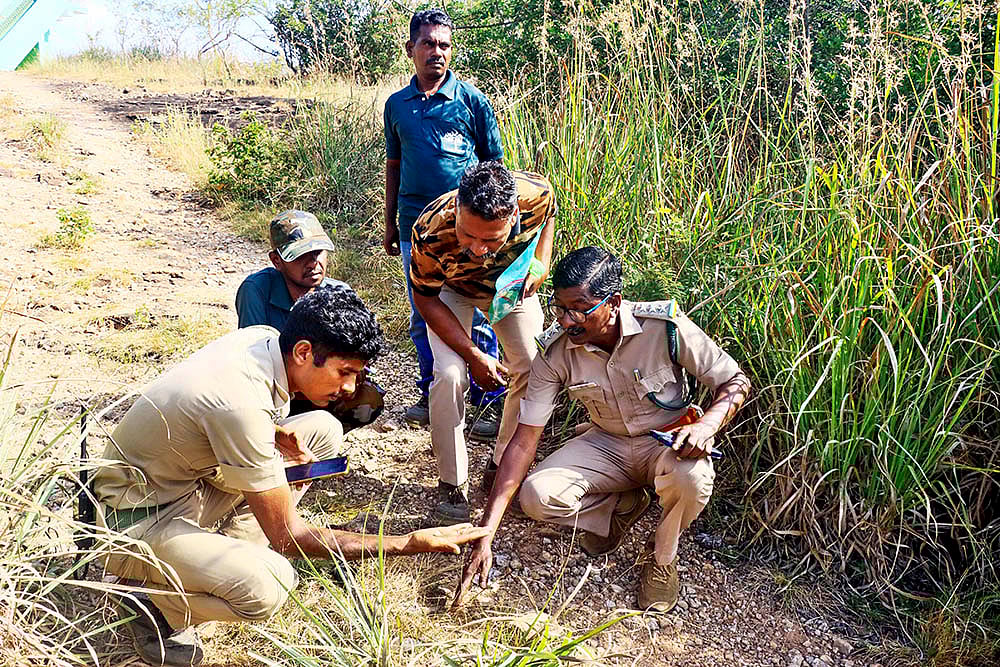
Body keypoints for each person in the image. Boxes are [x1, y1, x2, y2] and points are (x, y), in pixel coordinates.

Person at [93, 288, 488, 667]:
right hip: (131, 519)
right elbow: (290, 538)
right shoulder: (238, 405)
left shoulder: (264, 340)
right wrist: (404, 543)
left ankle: (212, 557)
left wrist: (274, 433)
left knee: (323, 429)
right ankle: (150, 600)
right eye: (345, 372)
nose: (350, 388)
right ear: (303, 352)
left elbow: (228, 418)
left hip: (181, 481)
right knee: (270, 584)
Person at [453, 247, 751, 612]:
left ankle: (661, 559)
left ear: (614, 302)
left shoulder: (664, 327)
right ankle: (620, 509)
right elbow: (524, 440)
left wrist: (707, 425)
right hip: (605, 443)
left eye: (579, 308)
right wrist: (486, 535)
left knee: (692, 479)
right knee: (536, 496)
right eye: (560, 308)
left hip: (667, 441)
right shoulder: (555, 352)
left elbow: (734, 381)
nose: (566, 320)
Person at [410, 161, 555, 525]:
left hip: (507, 287)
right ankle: (452, 484)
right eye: (467, 235)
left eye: (490, 239)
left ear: (513, 216)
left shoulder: (534, 195)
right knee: (449, 374)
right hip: (450, 293)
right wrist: (474, 355)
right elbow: (425, 300)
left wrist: (540, 265)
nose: (477, 248)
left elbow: (551, 212)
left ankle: (502, 463)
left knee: (533, 366)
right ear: (457, 209)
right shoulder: (429, 231)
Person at [383, 8, 505, 436]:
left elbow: (497, 168)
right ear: (411, 49)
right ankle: (431, 389)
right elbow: (394, 165)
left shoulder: (471, 100)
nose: (437, 52)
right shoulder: (396, 105)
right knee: (423, 311)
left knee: (480, 313)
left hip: (470, 230)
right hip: (416, 226)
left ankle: (489, 401)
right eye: (428, 43)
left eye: (444, 44)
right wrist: (389, 223)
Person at [236, 209, 384, 431]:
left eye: (318, 252)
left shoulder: (340, 292)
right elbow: (253, 360)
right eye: (301, 256)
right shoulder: (256, 290)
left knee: (367, 400)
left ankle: (319, 438)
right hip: (278, 387)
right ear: (277, 260)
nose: (313, 262)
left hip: (323, 385)